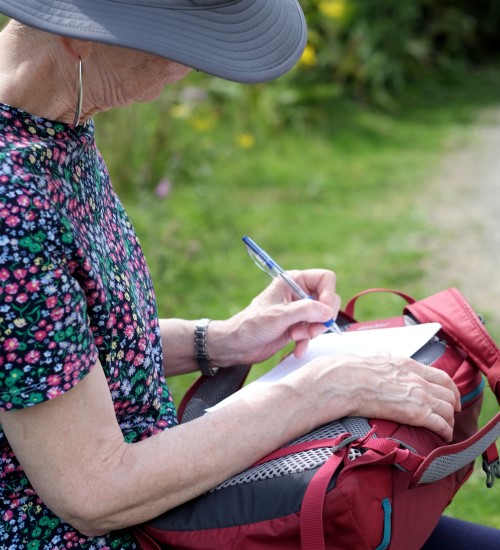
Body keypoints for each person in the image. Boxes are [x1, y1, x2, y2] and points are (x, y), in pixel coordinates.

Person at [0, 1, 472, 548]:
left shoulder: (59, 124)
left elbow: (49, 358)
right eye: (180, 47)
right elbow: (94, 490)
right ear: (79, 37)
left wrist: (219, 340)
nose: (188, 71)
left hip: (172, 510)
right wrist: (317, 391)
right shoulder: (12, 197)